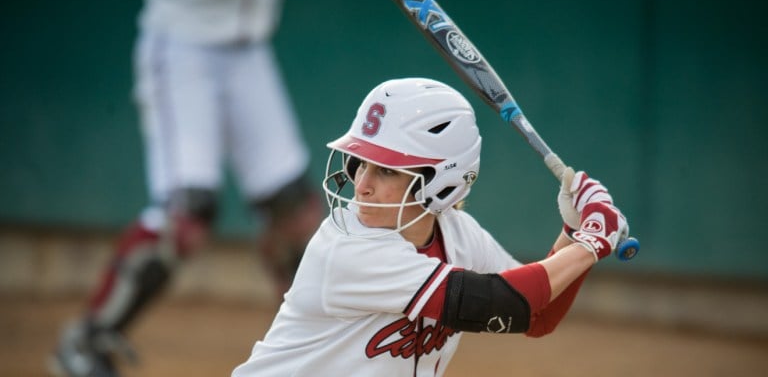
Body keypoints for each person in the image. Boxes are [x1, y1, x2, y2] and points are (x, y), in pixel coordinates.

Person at [231, 77, 630, 376]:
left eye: (386, 170)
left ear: (441, 180)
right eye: (360, 162)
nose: (363, 184)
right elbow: (500, 301)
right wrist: (593, 242)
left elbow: (536, 315)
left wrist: (574, 234)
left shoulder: (460, 234)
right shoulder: (348, 248)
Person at [50, 0, 323, 376]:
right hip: (183, 44)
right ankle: (86, 342)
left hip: (250, 49)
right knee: (185, 218)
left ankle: (312, 347)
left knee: (294, 212)